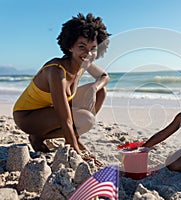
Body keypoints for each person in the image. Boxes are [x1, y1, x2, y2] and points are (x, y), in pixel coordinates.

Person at [13, 13, 110, 163]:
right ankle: (40, 136)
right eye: (82, 47)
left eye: (93, 48)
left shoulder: (84, 63)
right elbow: (66, 119)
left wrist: (93, 88)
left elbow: (104, 77)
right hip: (27, 116)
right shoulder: (56, 71)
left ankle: (47, 137)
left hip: (50, 112)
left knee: (101, 92)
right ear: (70, 46)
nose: (89, 53)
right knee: (86, 119)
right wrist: (77, 153)